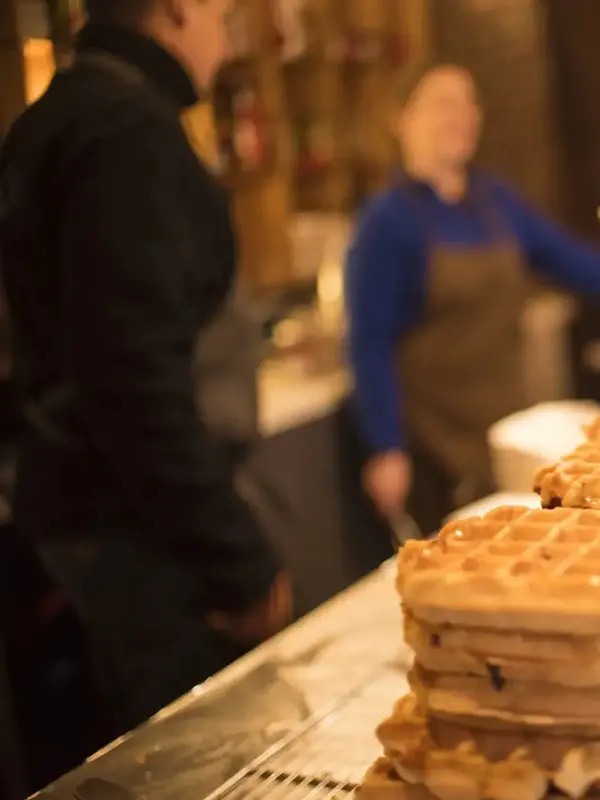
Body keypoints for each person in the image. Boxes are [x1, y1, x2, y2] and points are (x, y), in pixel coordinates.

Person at [0, 0, 291, 734]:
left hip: (72, 524)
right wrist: (238, 560)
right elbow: (132, 384)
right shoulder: (130, 133)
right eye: (222, 14)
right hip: (140, 548)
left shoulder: (51, 118)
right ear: (173, 9)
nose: (227, 38)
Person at [345, 63, 600, 535]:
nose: (462, 115)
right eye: (443, 103)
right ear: (401, 120)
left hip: (505, 426)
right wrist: (385, 448)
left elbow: (569, 259)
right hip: (434, 444)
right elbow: (369, 342)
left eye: (469, 103)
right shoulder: (386, 221)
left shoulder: (494, 200)